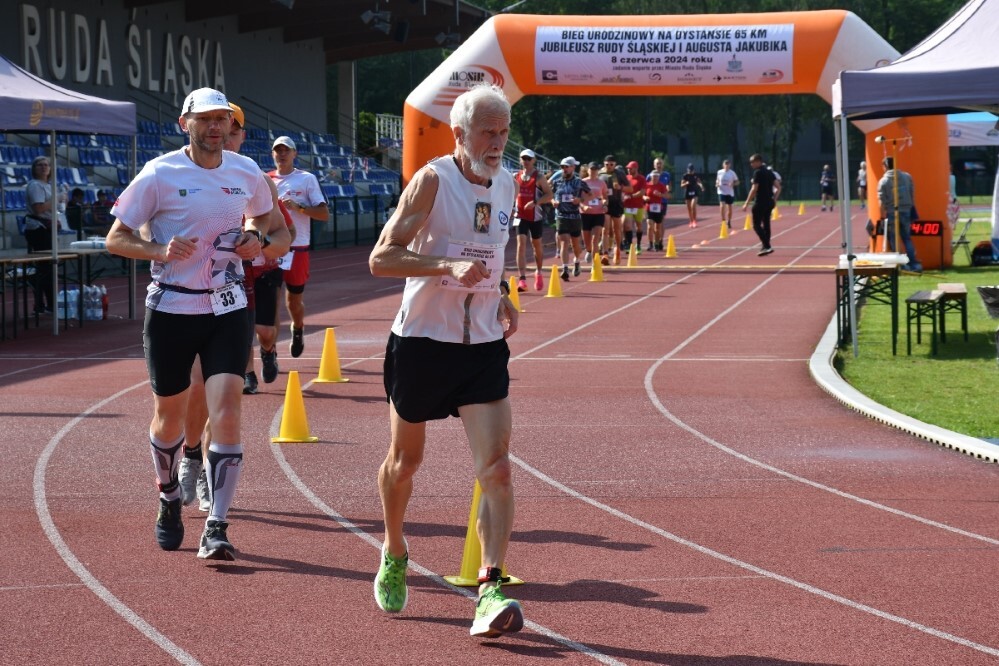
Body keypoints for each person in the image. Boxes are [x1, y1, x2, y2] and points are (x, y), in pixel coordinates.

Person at [368, 83, 523, 639]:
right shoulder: (432, 180)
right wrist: (443, 266)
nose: (497, 143)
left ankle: (490, 588)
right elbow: (381, 258)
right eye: (487, 132)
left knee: (497, 468)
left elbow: (491, 250)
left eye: (504, 132)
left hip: (482, 346)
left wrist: (500, 292)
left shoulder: (507, 183)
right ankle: (394, 549)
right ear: (459, 133)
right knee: (405, 463)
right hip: (422, 343)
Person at [105, 87, 273, 561]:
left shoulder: (247, 171)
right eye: (205, 119)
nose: (215, 127)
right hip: (172, 309)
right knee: (169, 417)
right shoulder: (159, 173)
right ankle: (168, 495)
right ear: (185, 124)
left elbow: (271, 223)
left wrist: (256, 237)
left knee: (228, 410)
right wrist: (158, 250)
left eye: (222, 119)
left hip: (227, 307)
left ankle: (217, 525)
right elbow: (115, 238)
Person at [176, 101, 293, 515]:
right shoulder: (177, 173)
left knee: (224, 394)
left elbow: (283, 237)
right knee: (195, 387)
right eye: (212, 123)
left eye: (231, 127)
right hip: (187, 298)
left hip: (234, 296)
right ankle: (190, 453)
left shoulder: (252, 178)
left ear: (239, 134)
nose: (223, 133)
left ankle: (209, 477)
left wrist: (257, 243)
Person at [269, 135, 329, 360]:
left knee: (293, 302)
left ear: (294, 154)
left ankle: (298, 327)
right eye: (278, 150)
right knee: (271, 301)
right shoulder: (265, 180)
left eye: (286, 150)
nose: (282, 154)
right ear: (273, 154)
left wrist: (299, 208)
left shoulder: (306, 179)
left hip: (297, 248)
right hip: (273, 247)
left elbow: (324, 214)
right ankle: (270, 351)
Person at [24, 155, 66, 313]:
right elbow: (39, 208)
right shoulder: (35, 185)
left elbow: (55, 208)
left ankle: (45, 303)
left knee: (47, 268)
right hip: (38, 229)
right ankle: (47, 304)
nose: (43, 167)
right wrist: (58, 198)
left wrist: (62, 200)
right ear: (34, 169)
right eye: (39, 165)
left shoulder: (49, 185)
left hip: (47, 228)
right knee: (46, 268)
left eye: (46, 165)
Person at [512, 148, 553, 292]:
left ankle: (539, 272)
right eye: (523, 158)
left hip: (535, 216)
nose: (526, 161)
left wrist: (535, 202)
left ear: (533, 160)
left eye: (528, 159)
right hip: (520, 216)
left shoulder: (539, 177)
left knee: (536, 245)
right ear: (520, 160)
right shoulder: (515, 176)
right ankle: (522, 279)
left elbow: (549, 195)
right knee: (520, 244)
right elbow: (510, 194)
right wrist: (511, 207)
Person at [878, 157, 921, 272]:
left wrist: (882, 217)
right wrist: (910, 206)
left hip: (892, 212)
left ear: (885, 166)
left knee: (894, 239)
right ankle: (913, 263)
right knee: (907, 238)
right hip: (906, 210)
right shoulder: (907, 177)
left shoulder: (883, 181)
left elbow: (881, 202)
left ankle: (901, 264)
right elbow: (912, 192)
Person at [549, 156, 590, 280]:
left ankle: (577, 261)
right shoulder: (557, 182)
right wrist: (553, 202)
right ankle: (565, 268)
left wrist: (580, 200)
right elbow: (550, 195)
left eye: (566, 167)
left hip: (574, 216)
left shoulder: (579, 182)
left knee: (576, 244)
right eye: (562, 167)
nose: (564, 169)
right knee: (564, 242)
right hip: (561, 215)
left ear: (573, 167)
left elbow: (591, 195)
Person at [742, 153, 778, 256]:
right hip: (769, 202)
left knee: (756, 225)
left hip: (760, 202)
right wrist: (774, 199)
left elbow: (754, 189)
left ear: (758, 161)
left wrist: (746, 202)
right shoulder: (769, 172)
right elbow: (778, 187)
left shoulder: (757, 172)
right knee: (766, 224)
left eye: (752, 162)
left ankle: (767, 245)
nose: (751, 164)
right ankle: (765, 246)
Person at [599, 155, 631, 265]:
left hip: (616, 203)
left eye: (611, 164)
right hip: (605, 203)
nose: (609, 166)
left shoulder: (620, 174)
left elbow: (630, 188)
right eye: (607, 164)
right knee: (605, 229)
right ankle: (605, 253)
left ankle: (617, 248)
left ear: (615, 164)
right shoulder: (600, 174)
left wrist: (620, 188)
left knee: (616, 228)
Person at [580, 161, 609, 264]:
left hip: (598, 213)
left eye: (595, 169)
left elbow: (605, 196)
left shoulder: (601, 183)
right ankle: (589, 250)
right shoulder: (582, 182)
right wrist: (583, 206)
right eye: (591, 169)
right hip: (585, 214)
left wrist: (605, 204)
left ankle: (595, 264)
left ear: (598, 171)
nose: (593, 171)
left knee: (595, 239)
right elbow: (577, 198)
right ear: (588, 170)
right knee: (587, 241)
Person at [622, 161, 646, 252]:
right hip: (627, 206)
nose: (628, 170)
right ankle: (630, 245)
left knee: (638, 226)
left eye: (630, 168)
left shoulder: (641, 179)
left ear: (636, 168)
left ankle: (638, 244)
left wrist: (631, 196)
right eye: (627, 168)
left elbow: (642, 192)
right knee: (627, 226)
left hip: (638, 206)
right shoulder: (626, 178)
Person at [643, 171, 669, 251]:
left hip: (658, 208)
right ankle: (650, 244)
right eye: (654, 176)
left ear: (659, 177)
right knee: (649, 225)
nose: (655, 178)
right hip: (649, 207)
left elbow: (668, 196)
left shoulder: (661, 186)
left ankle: (656, 243)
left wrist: (660, 195)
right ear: (651, 177)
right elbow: (642, 194)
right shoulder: (647, 185)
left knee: (657, 228)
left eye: (657, 176)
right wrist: (644, 198)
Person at [715, 159, 740, 229]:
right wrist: (717, 183)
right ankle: (723, 221)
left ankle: (729, 221)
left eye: (728, 164)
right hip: (721, 191)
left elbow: (738, 182)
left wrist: (733, 184)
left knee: (730, 207)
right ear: (723, 165)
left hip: (729, 192)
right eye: (725, 164)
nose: (726, 165)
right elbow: (717, 180)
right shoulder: (719, 172)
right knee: (722, 205)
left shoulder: (732, 173)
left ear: (730, 165)